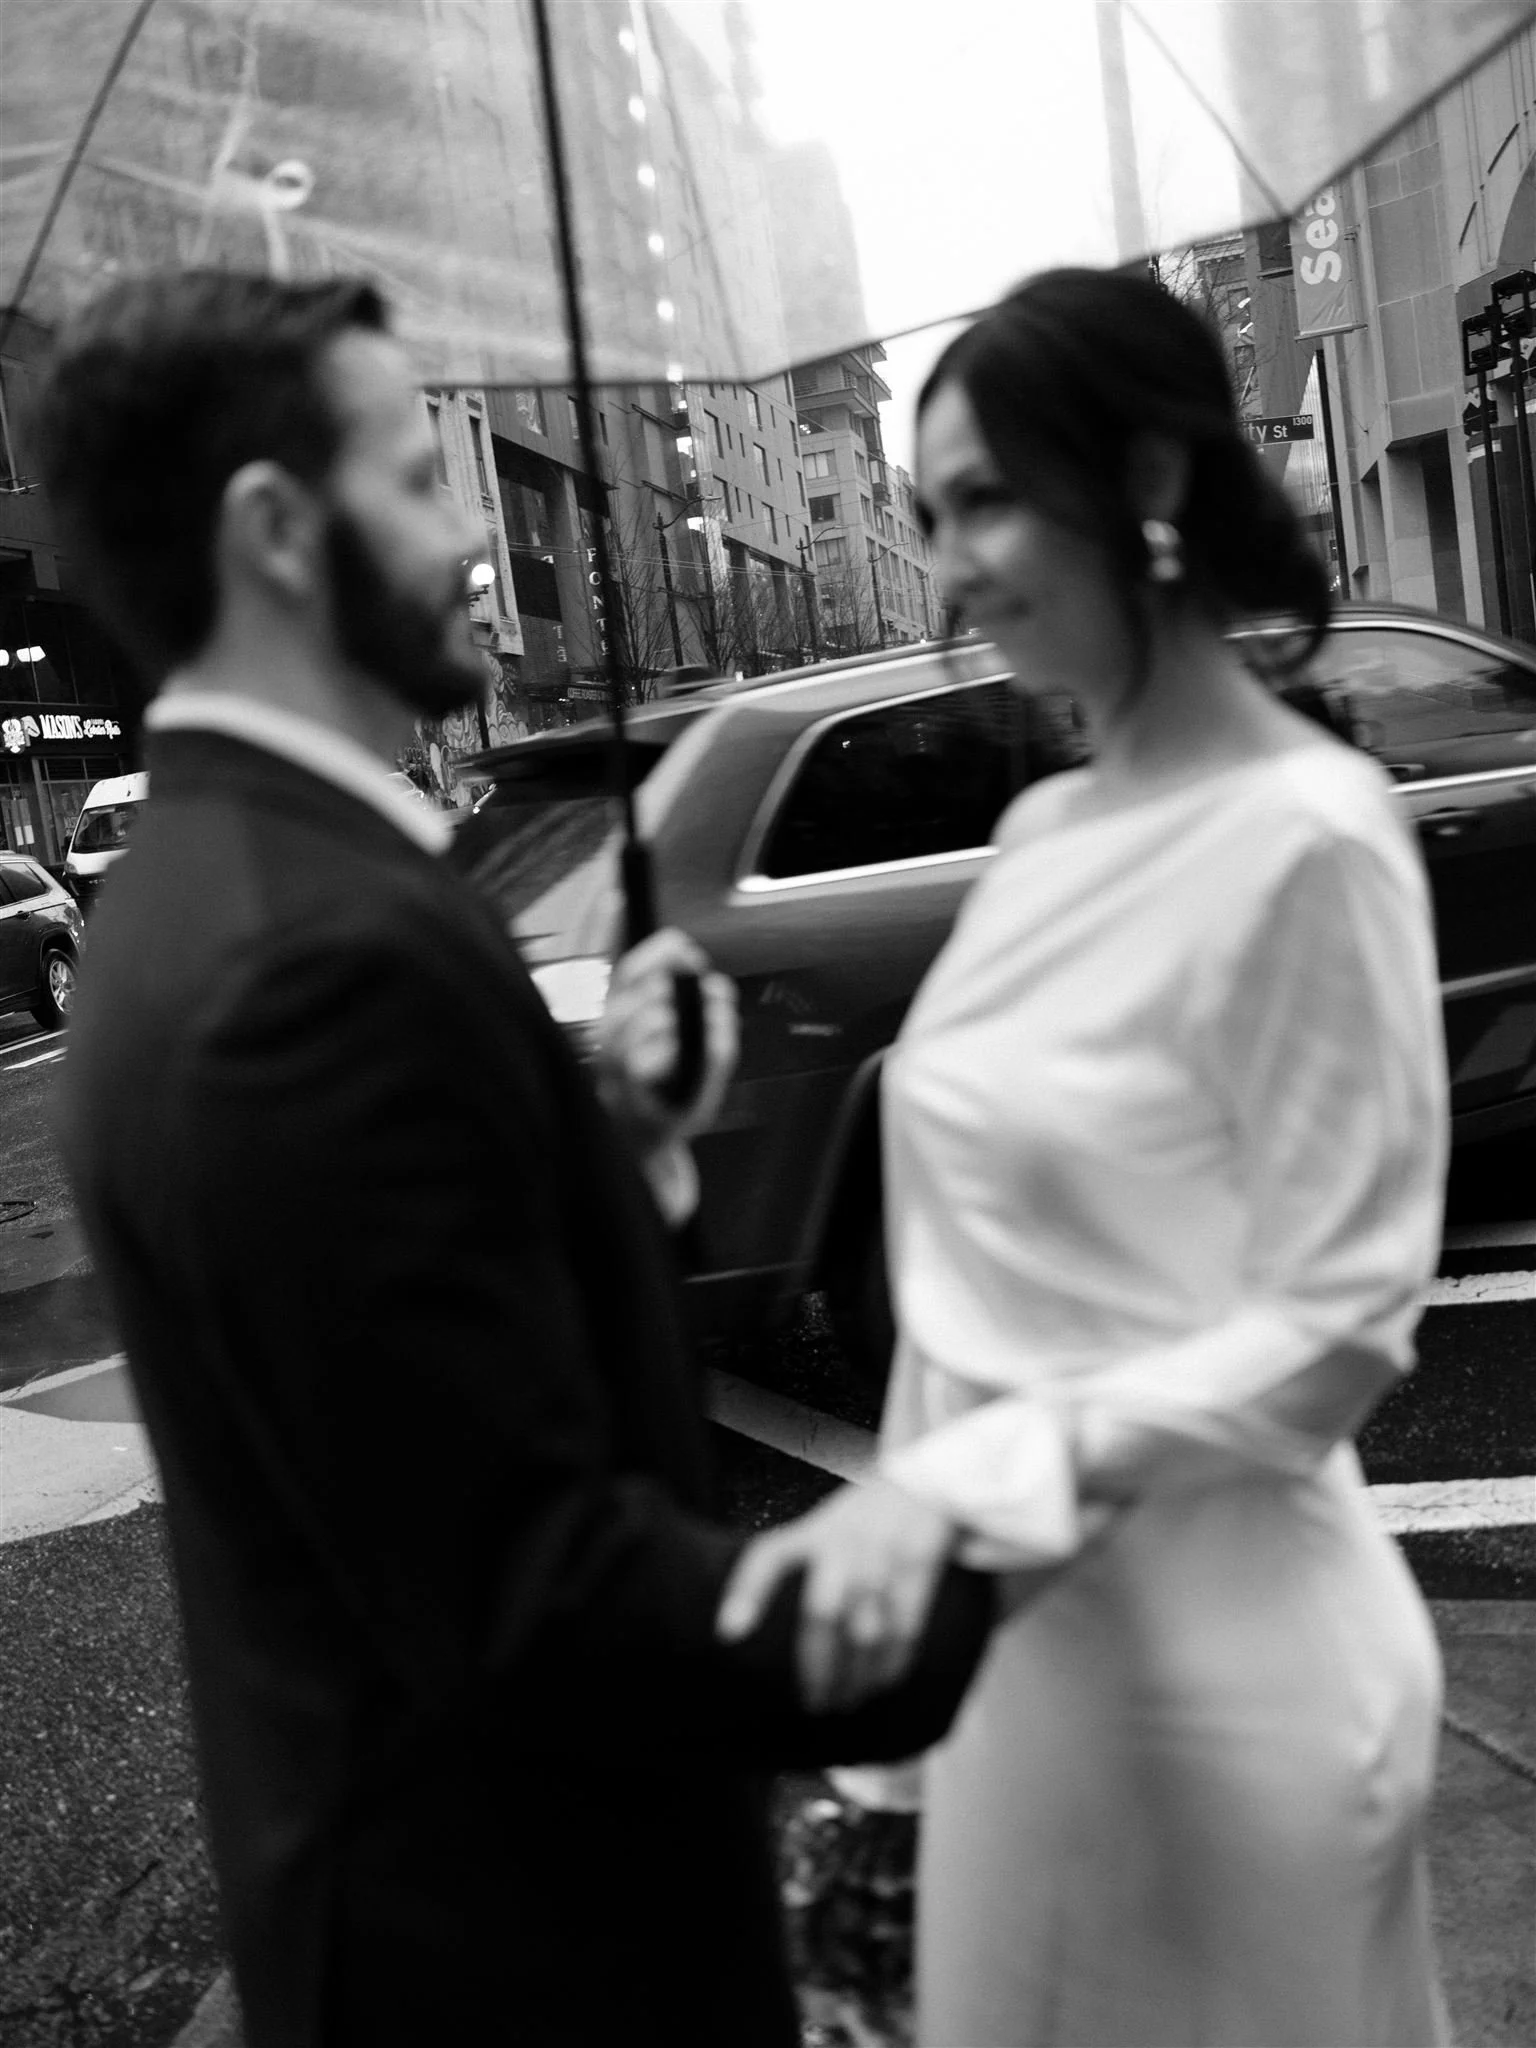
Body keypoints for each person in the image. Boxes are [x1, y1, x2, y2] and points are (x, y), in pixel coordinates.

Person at [35, 272, 992, 2048]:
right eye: (417, 475)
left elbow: (403, 1377)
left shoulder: (219, 882)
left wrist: (610, 1138)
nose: (479, 530)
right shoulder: (311, 957)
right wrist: (914, 1617)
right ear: (275, 532)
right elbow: (521, 1590)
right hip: (519, 1946)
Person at [719, 267, 1450, 2047]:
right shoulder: (1040, 829)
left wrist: (976, 1489)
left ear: (1137, 474)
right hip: (1012, 1683)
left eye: (984, 498)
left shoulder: (1313, 838)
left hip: (1232, 1708)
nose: (951, 561)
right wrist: (907, 1626)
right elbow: (972, 1286)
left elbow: (1341, 1324)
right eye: (926, 512)